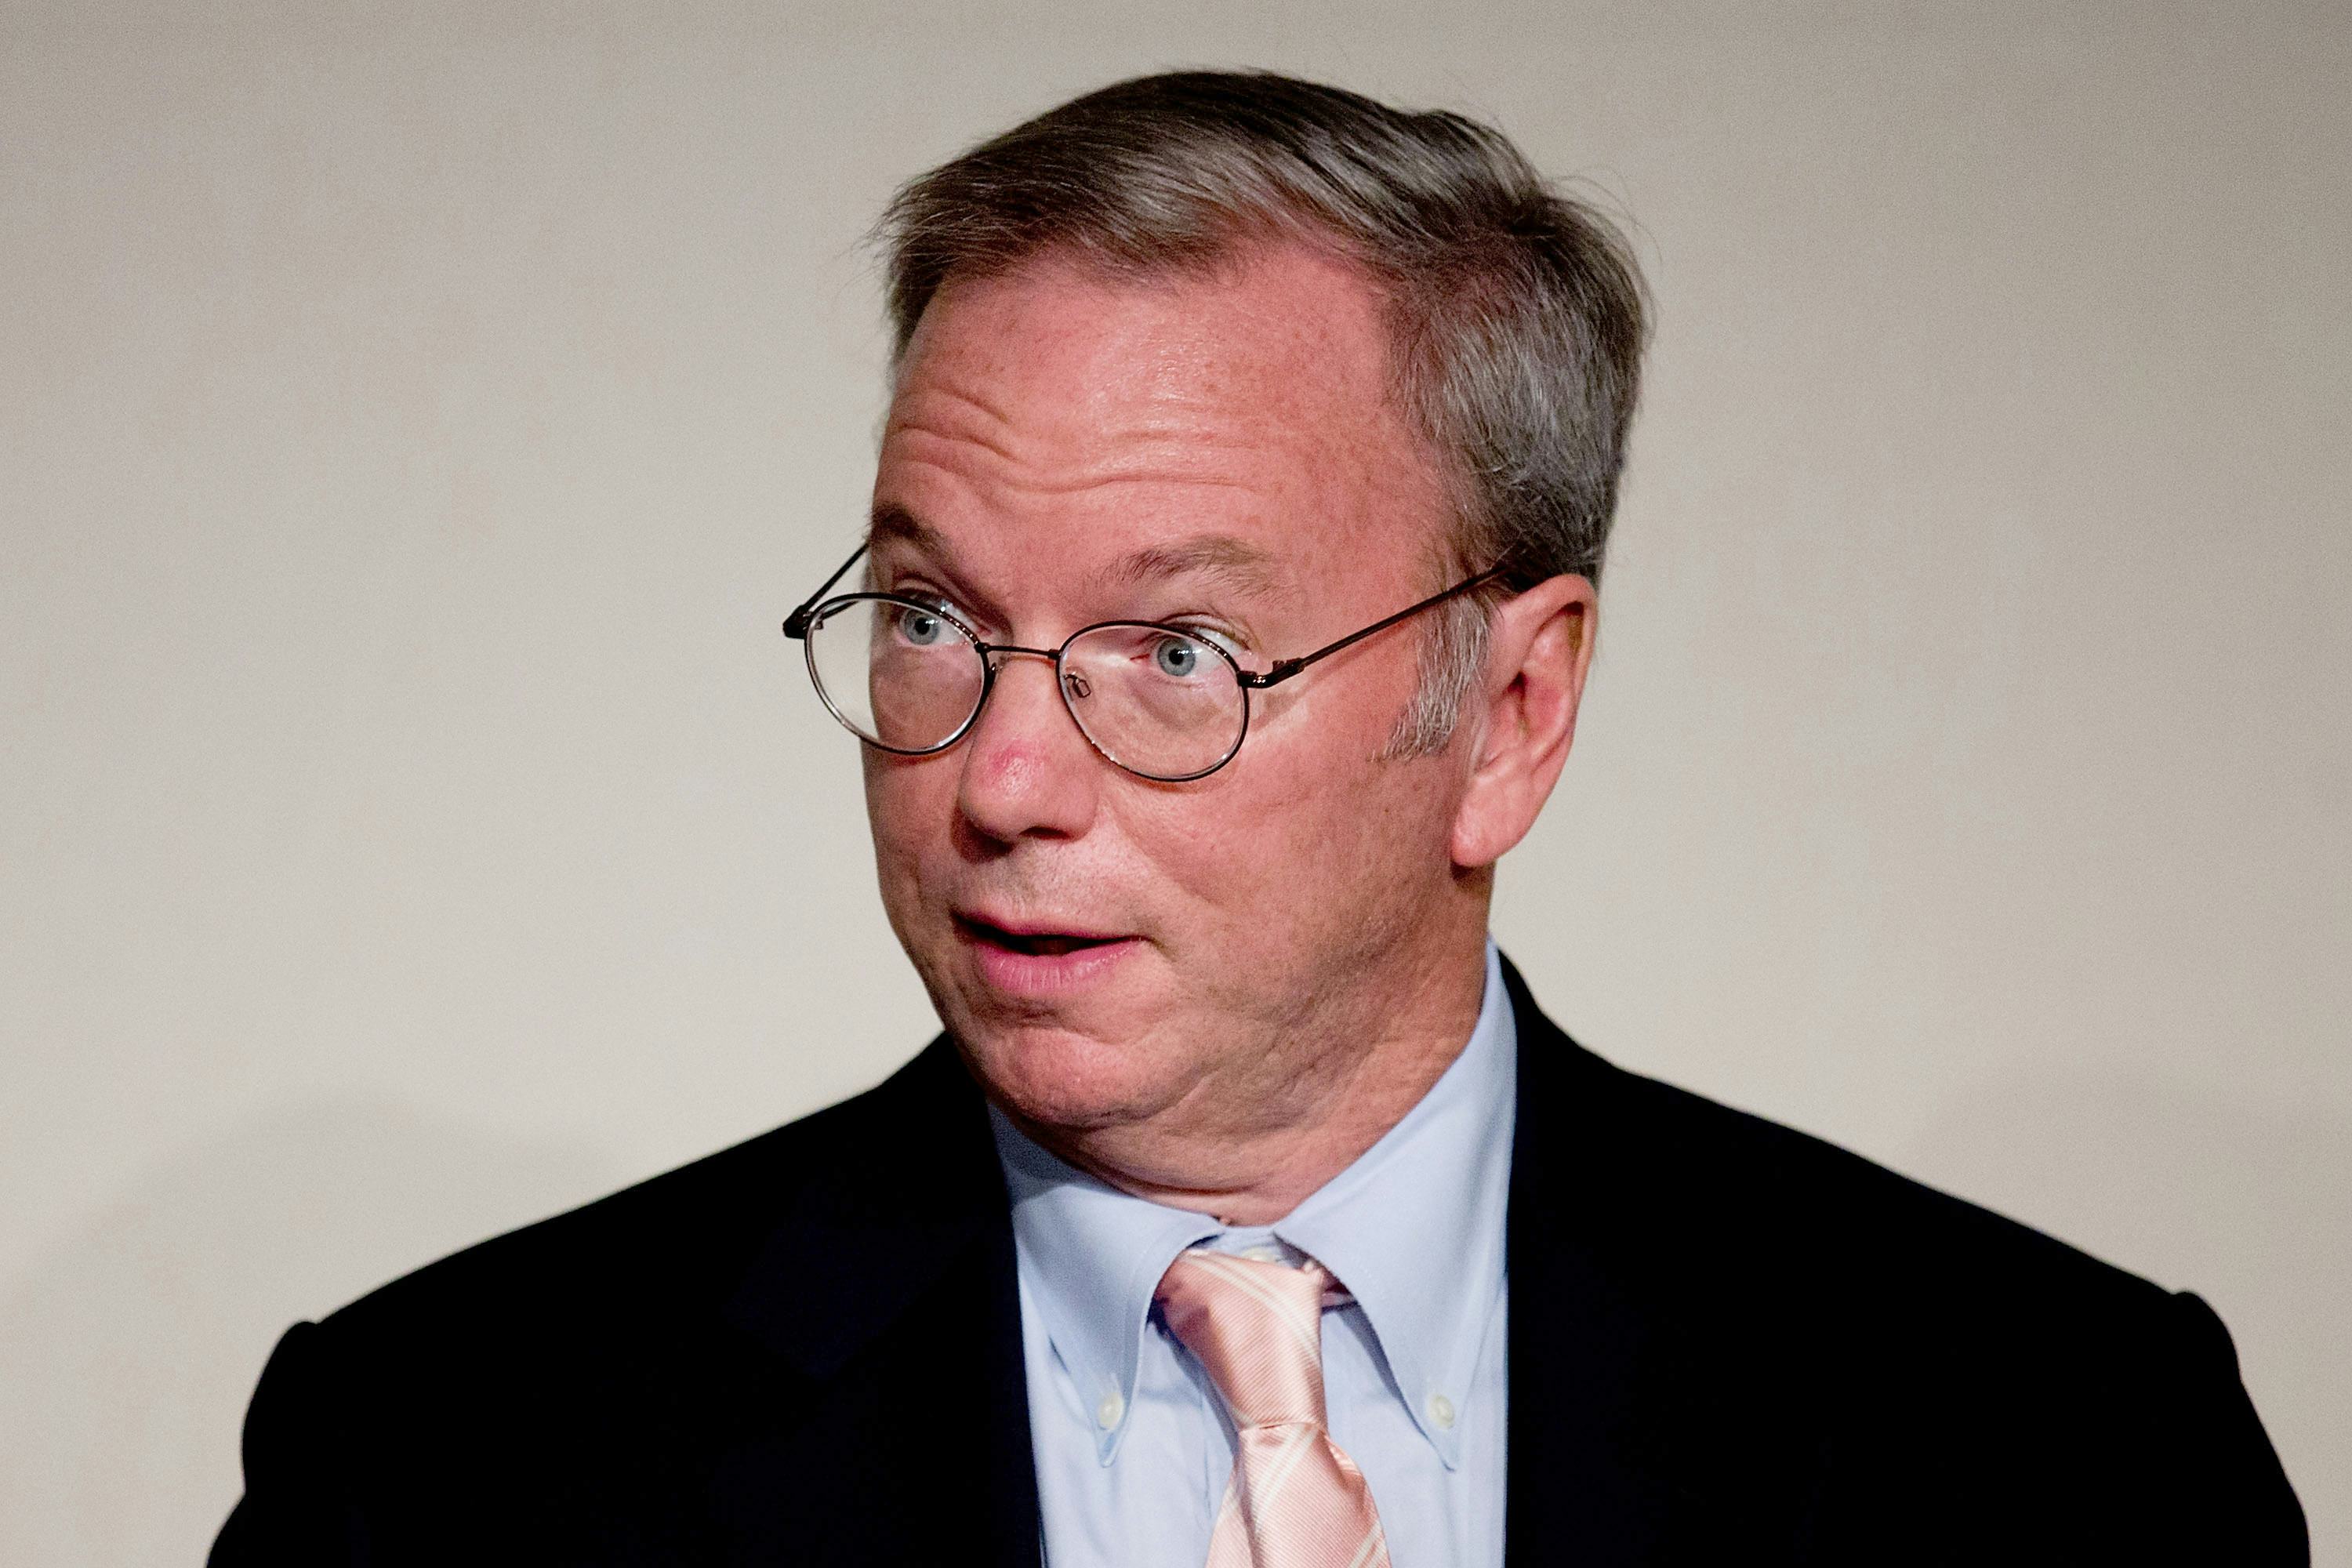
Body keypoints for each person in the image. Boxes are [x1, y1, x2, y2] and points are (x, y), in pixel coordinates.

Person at [210, 71, 2305, 1566]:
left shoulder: (2058, 1443)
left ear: (1511, 707)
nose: (999, 785)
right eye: (933, 619)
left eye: (1179, 654)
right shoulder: (444, 1465)